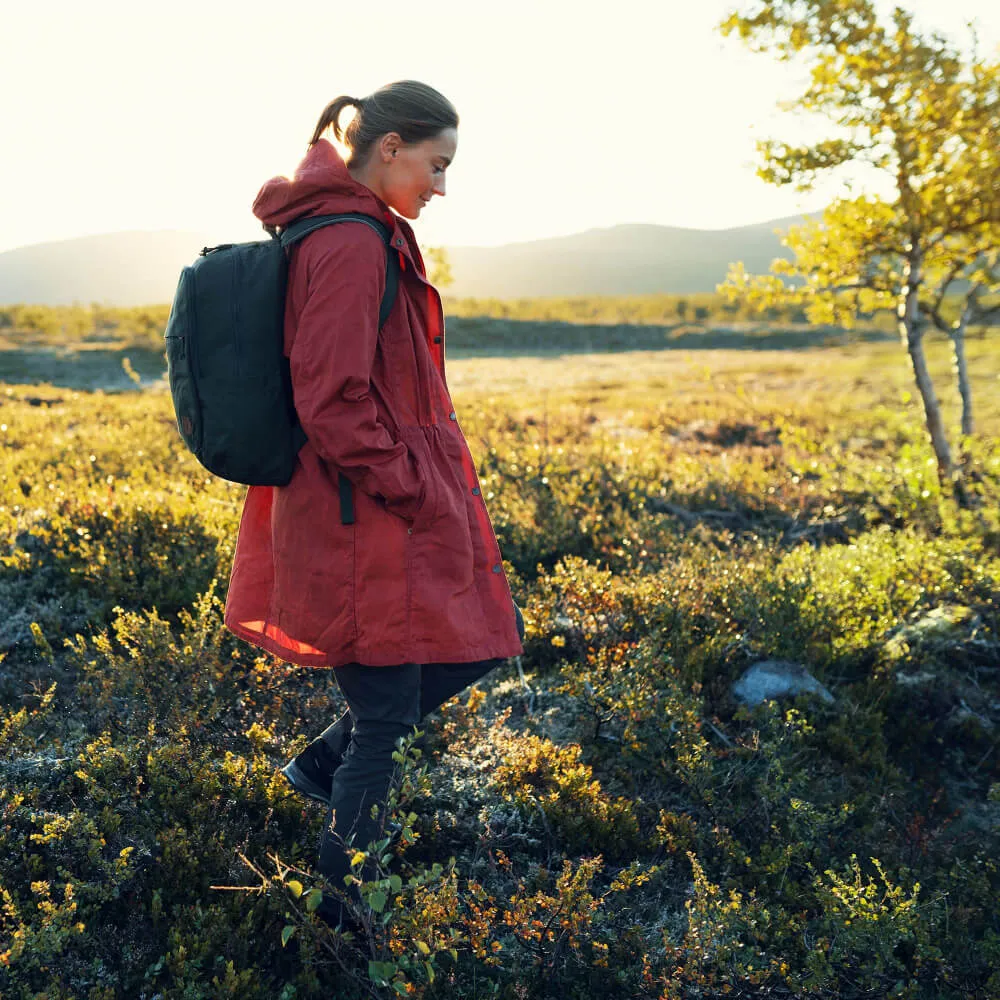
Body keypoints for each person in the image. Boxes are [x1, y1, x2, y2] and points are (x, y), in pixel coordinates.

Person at [222, 80, 525, 930]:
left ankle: (322, 767)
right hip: (364, 513)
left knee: (482, 637)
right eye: (437, 164)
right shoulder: (351, 241)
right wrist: (411, 486)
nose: (441, 186)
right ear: (390, 147)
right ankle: (342, 921)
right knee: (385, 716)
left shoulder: (351, 230)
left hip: (372, 508)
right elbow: (333, 399)